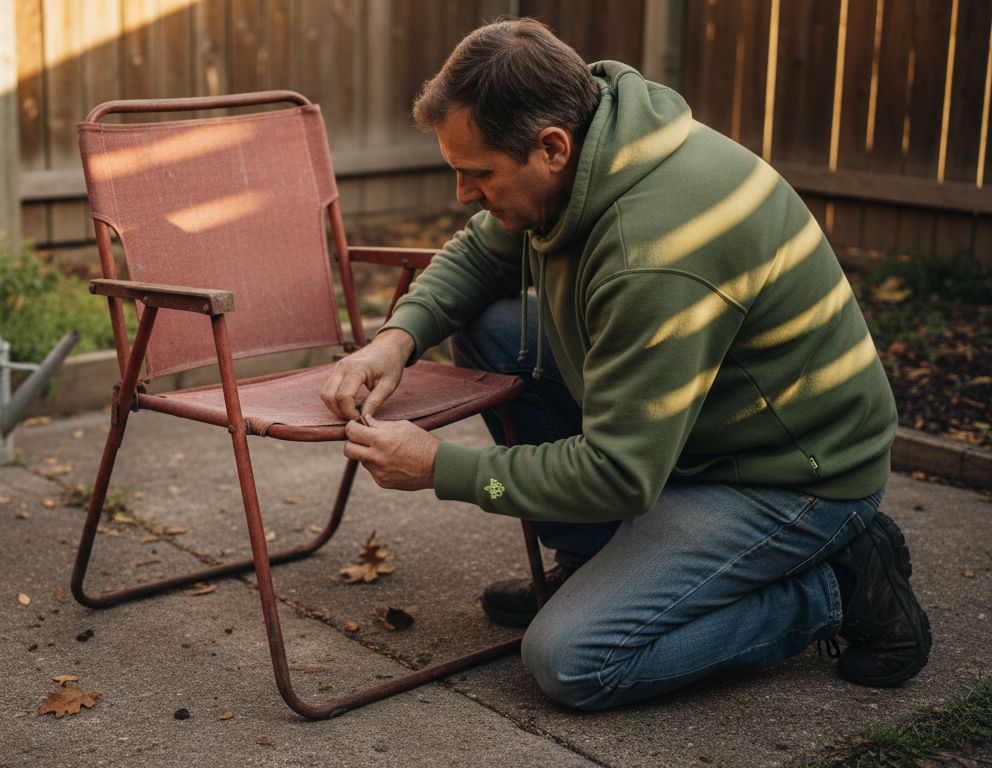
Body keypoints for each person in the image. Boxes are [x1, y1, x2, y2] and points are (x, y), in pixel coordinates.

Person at [319, 17, 931, 711]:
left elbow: (619, 472)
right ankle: (591, 562)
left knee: (573, 660)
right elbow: (481, 251)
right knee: (494, 332)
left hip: (788, 477)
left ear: (551, 147)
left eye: (477, 173)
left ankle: (835, 588)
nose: (464, 193)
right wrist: (394, 341)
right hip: (700, 431)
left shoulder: (654, 251)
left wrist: (441, 468)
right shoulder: (596, 147)